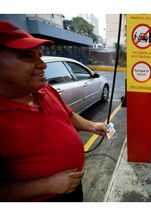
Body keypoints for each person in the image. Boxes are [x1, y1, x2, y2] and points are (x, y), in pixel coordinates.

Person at [0, 20, 108, 201]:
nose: (42, 65)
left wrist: (93, 126)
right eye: (27, 56)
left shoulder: (44, 90)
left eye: (40, 56)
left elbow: (69, 115)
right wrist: (47, 185)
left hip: (71, 189)